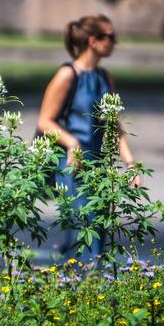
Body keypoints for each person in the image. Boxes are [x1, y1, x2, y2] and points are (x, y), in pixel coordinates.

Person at [35, 14, 139, 260]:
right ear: (93, 41)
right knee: (80, 228)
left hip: (99, 164)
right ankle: (72, 286)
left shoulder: (104, 77)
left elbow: (114, 124)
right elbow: (44, 121)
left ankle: (92, 286)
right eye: (111, 37)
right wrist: (73, 142)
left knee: (99, 229)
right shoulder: (68, 75)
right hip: (71, 163)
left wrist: (131, 163)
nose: (115, 42)